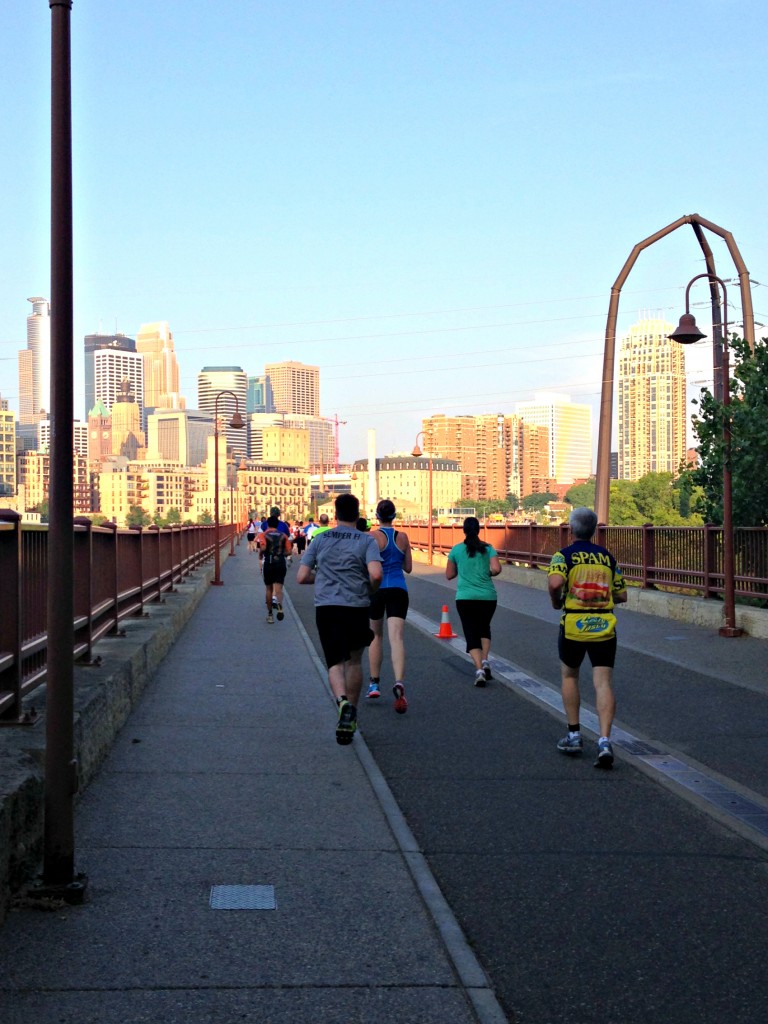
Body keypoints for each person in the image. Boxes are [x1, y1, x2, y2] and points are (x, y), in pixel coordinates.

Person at [297, 493, 382, 745]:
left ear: (335, 514)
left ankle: (341, 702)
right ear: (357, 515)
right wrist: (369, 590)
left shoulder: (320, 540)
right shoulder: (367, 541)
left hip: (327, 607)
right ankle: (351, 713)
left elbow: (301, 577)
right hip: (356, 605)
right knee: (354, 661)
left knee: (334, 661)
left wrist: (321, 579)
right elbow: (376, 575)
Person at [547, 506, 627, 769]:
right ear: (593, 531)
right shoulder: (607, 557)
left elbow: (556, 583)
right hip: (604, 626)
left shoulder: (563, 556)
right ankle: (604, 740)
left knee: (570, 676)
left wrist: (556, 602)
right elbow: (622, 595)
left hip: (574, 625)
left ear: (571, 530)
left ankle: (574, 734)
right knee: (603, 683)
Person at [367, 499, 412, 713]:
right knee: (397, 638)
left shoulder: (372, 537)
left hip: (377, 589)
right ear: (394, 516)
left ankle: (374, 683)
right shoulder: (403, 537)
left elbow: (365, 564)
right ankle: (399, 681)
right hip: (398, 589)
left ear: (377, 516)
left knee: (376, 636)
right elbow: (409, 568)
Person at [445, 516, 501, 687]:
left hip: (465, 598)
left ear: (463, 530)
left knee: (471, 632)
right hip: (488, 597)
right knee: (484, 628)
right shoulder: (488, 548)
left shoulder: (456, 550)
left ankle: (479, 671)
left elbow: (449, 575)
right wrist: (487, 573)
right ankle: (485, 661)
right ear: (478, 530)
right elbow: (497, 569)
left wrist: (462, 569)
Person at [258, 515, 292, 623]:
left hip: (269, 562)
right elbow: (289, 551)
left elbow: (263, 548)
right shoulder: (283, 535)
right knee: (279, 589)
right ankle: (280, 606)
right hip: (280, 562)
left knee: (269, 589)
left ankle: (270, 615)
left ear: (267, 524)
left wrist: (260, 555)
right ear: (277, 524)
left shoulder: (264, 534)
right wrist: (282, 553)